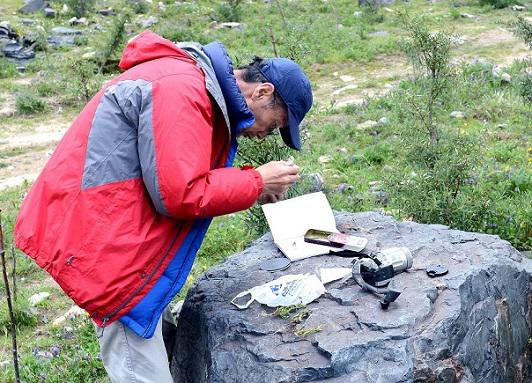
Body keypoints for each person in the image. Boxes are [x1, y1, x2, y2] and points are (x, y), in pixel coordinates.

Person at [14, 30, 312, 382]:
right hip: (106, 246)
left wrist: (252, 187)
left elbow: (177, 172)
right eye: (274, 124)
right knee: (138, 361)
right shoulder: (181, 90)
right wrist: (256, 181)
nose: (265, 135)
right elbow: (180, 193)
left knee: (154, 338)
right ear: (263, 93)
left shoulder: (195, 88)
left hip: (114, 232)